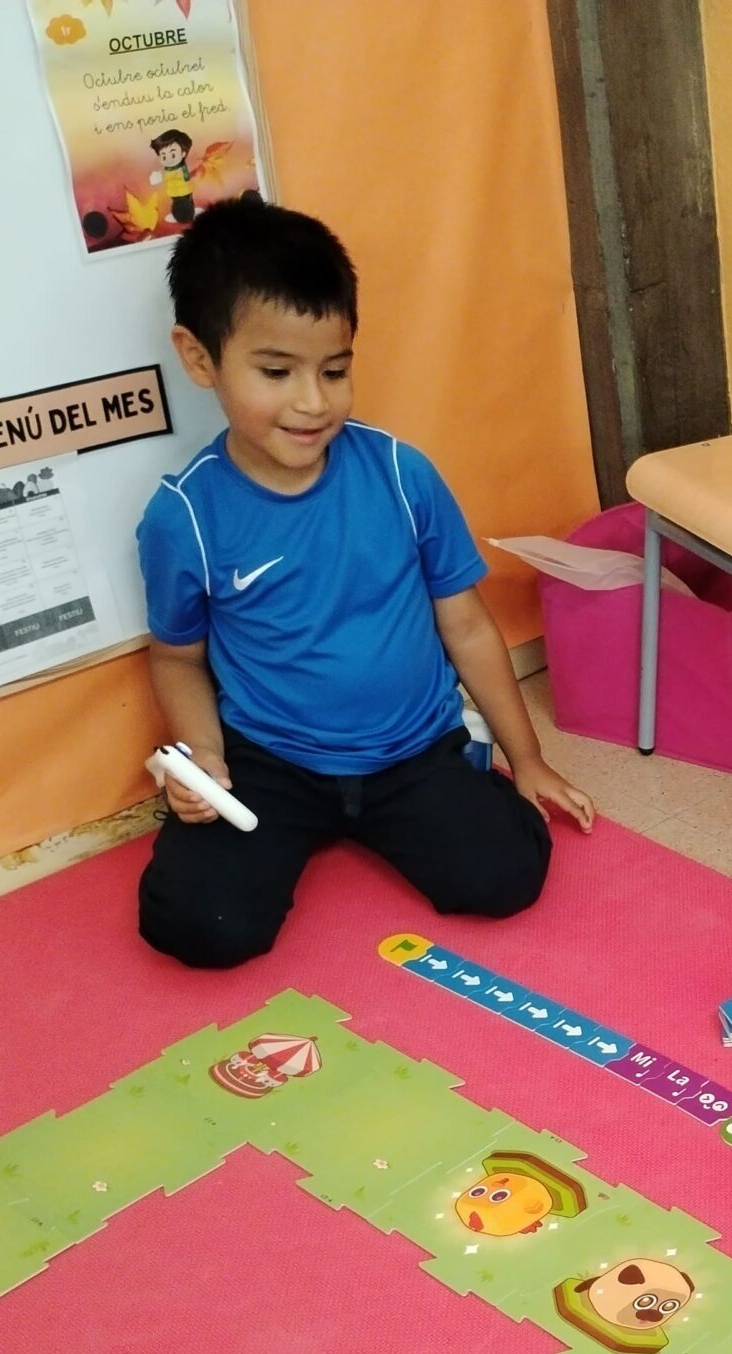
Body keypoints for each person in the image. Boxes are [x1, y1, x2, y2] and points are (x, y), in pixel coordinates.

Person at [134, 195, 593, 968]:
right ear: (199, 357)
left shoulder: (402, 475)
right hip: (271, 759)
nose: (314, 402)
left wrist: (530, 759)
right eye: (276, 372)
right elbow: (177, 658)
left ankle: (466, 763)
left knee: (509, 875)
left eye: (336, 371)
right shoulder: (184, 517)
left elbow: (467, 625)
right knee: (199, 924)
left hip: (412, 748)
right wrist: (204, 760)